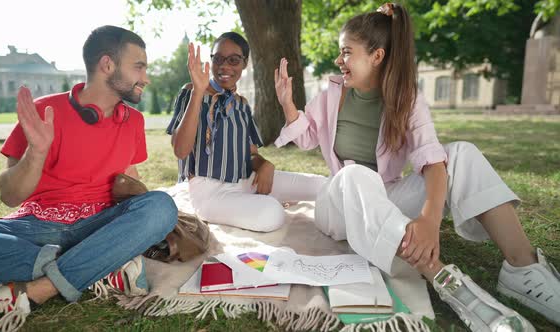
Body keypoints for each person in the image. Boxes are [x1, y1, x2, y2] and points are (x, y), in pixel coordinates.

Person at [273, 3, 559, 331]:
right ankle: (446, 280)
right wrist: (288, 106)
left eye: (346, 52)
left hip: (387, 193)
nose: (339, 61)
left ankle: (523, 268)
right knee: (355, 175)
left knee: (462, 153)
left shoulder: (406, 97)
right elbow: (307, 138)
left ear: (377, 56)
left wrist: (428, 220)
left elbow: (432, 160)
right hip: (338, 204)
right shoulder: (330, 91)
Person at [0, 25, 178, 331]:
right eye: (139, 66)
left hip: (100, 226)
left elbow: (132, 181)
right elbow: (9, 195)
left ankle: (42, 288)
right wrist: (37, 153)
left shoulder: (134, 121)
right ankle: (101, 266)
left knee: (161, 206)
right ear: (107, 65)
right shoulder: (43, 111)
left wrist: (142, 217)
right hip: (37, 227)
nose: (145, 78)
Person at [166, 32, 324, 233]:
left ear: (245, 63)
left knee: (321, 185)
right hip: (209, 192)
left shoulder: (241, 104)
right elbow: (180, 150)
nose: (224, 66)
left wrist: (264, 164)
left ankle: (251, 201)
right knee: (272, 214)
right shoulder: (191, 91)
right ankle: (255, 203)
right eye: (218, 59)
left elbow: (250, 153)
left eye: (233, 60)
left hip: (246, 179)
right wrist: (198, 92)